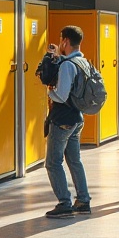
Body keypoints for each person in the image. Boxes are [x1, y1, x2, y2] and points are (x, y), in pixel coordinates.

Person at [42, 26, 92, 219]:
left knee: (53, 163)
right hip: (77, 119)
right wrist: (56, 56)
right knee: (74, 160)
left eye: (61, 40)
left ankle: (64, 203)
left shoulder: (67, 66)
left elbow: (61, 95)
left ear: (65, 41)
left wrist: (49, 91)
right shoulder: (82, 61)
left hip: (63, 120)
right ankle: (83, 200)